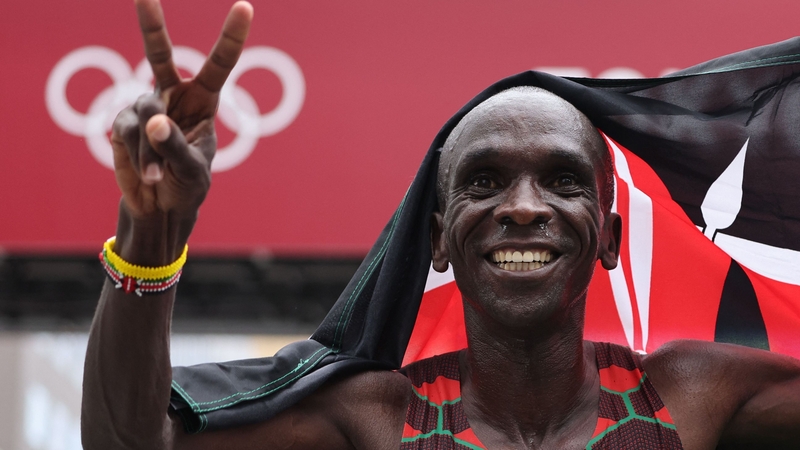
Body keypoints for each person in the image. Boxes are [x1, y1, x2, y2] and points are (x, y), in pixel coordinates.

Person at [81, 0, 800, 448]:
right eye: (484, 181)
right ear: (436, 237)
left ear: (608, 238)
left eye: (562, 180)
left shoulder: (691, 396)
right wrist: (154, 232)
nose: (523, 206)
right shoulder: (374, 418)